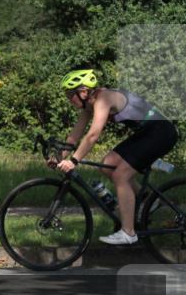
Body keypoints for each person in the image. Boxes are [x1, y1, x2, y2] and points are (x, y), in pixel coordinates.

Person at [54, 69, 179, 245]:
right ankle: (148, 200)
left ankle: (128, 232)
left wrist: (74, 161)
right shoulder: (88, 105)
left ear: (83, 92)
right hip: (147, 133)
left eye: (70, 94)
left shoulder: (103, 99)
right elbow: (75, 135)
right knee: (107, 164)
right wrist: (59, 157)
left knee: (121, 175)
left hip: (161, 133)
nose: (68, 99)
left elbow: (93, 135)